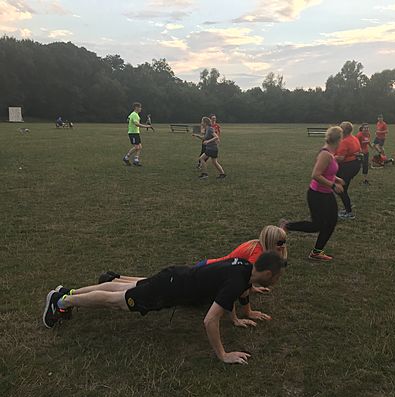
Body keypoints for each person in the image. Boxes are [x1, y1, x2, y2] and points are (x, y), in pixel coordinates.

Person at [42, 252, 285, 365]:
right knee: (115, 301)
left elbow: (234, 292)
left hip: (174, 275)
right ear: (267, 273)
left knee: (119, 289)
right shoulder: (237, 281)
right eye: (276, 277)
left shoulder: (243, 266)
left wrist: (236, 318)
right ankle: (61, 302)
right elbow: (210, 320)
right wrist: (223, 355)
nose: (276, 281)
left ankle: (67, 294)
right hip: (167, 290)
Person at [101, 225, 288, 295]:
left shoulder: (257, 245)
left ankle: (115, 278)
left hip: (208, 267)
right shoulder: (258, 254)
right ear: (270, 241)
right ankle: (113, 280)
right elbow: (246, 278)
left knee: (153, 282)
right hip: (208, 271)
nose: (283, 245)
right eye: (280, 242)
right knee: (152, 284)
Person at [280, 127, 344, 261]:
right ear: (339, 139)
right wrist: (333, 185)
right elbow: (315, 175)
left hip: (326, 194)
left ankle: (316, 252)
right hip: (317, 195)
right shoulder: (325, 154)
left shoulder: (330, 152)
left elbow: (327, 172)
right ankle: (287, 226)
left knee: (331, 222)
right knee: (317, 225)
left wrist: (336, 178)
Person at [334, 121, 361, 220]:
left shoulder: (345, 141)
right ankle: (347, 204)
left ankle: (349, 212)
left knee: (341, 189)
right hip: (353, 165)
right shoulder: (353, 138)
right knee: (339, 187)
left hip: (348, 167)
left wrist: (328, 157)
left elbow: (340, 158)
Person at [123, 102, 153, 166]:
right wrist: (146, 126)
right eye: (140, 107)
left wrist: (130, 122)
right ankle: (126, 157)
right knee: (136, 147)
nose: (140, 109)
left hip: (136, 133)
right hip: (133, 133)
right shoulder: (135, 114)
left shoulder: (133, 114)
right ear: (136, 107)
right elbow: (137, 124)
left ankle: (136, 160)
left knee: (140, 147)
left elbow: (127, 119)